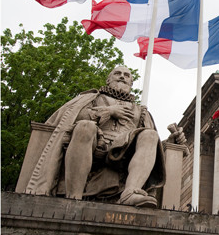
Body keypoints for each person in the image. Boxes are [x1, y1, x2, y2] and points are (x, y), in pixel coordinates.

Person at [24, 66, 184, 207]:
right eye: (118, 73)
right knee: (85, 126)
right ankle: (73, 197)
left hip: (124, 151)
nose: (122, 76)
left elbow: (149, 147)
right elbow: (69, 121)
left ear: (131, 84)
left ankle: (129, 192)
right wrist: (108, 112)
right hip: (93, 142)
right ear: (108, 79)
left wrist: (170, 142)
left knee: (150, 134)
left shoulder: (141, 111)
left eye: (127, 75)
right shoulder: (90, 99)